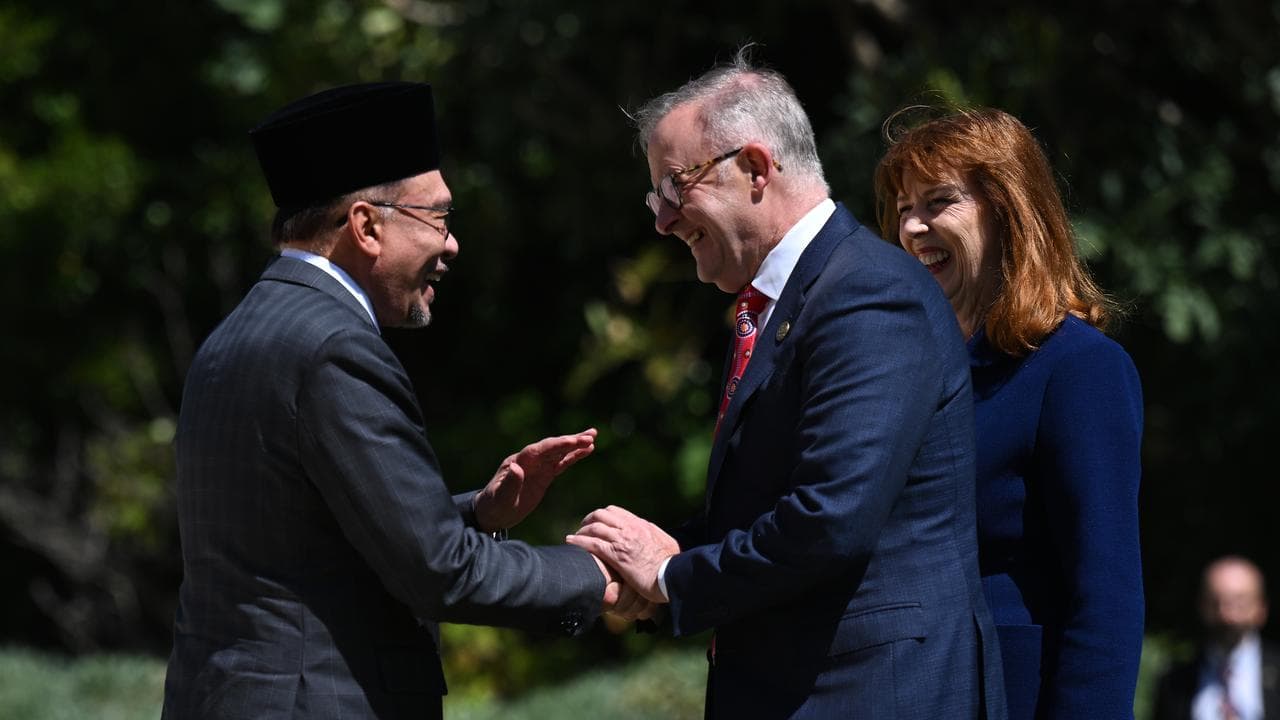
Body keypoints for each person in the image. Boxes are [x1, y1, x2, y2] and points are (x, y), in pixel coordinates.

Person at [161, 82, 623, 720]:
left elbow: (305, 538)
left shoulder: (236, 334)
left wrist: (477, 513)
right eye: (438, 218)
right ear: (366, 226)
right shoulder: (332, 346)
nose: (451, 244)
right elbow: (439, 572)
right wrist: (597, 573)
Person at [566, 51, 1006, 719]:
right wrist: (655, 563)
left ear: (755, 168)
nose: (661, 219)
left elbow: (829, 521)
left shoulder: (869, 295)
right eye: (654, 196)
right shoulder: (782, 304)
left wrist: (669, 575)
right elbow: (763, 512)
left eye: (675, 185)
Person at [873, 106, 1145, 718]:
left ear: (1007, 209)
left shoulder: (1078, 367)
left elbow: (1106, 594)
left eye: (938, 202)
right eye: (902, 208)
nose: (911, 228)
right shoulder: (908, 370)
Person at [1154, 556, 1280, 720]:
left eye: (1239, 603)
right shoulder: (1174, 681)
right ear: (1201, 606)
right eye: (1215, 602)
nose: (1226, 615)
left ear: (1261, 608)